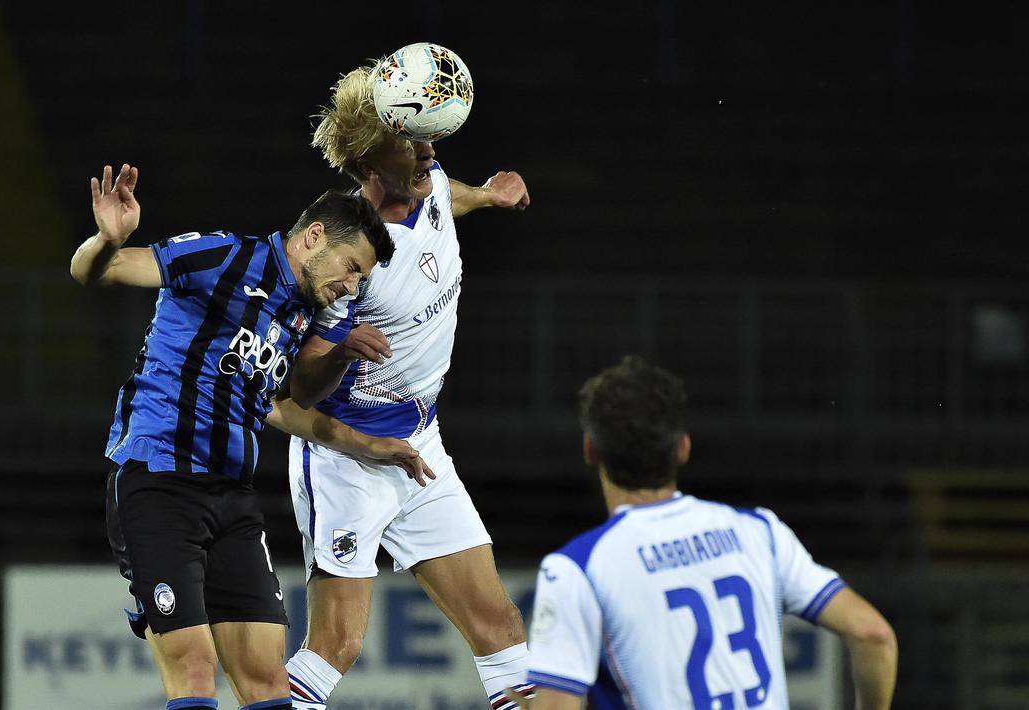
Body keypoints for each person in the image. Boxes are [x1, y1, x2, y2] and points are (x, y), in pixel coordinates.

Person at [71, 164, 429, 710]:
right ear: (314, 236)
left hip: (232, 499)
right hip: (160, 481)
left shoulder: (300, 312)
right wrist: (106, 240)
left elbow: (279, 407)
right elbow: (96, 272)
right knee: (194, 666)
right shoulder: (223, 256)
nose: (352, 287)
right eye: (352, 268)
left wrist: (372, 445)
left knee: (267, 680)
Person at [282, 60, 535, 710]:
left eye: (428, 141)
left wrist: (490, 194)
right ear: (371, 163)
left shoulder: (433, 183)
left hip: (420, 445)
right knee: (335, 646)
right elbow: (299, 389)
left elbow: (450, 199)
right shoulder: (352, 251)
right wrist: (342, 350)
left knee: (500, 626)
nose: (429, 154)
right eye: (412, 145)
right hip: (347, 458)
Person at [507, 355, 898, 710]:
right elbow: (873, 634)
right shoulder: (760, 532)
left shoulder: (579, 569)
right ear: (683, 448)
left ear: (590, 449)